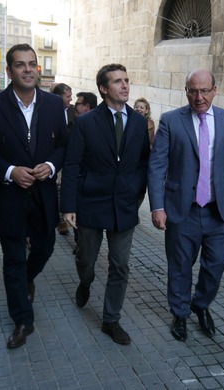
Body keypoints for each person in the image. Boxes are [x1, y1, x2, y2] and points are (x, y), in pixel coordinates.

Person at [0, 43, 67, 349]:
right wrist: (10, 170)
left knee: (46, 245)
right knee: (12, 258)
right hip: (9, 196)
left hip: (43, 194)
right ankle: (23, 319)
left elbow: (64, 146)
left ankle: (26, 278)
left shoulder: (54, 105)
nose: (27, 69)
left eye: (32, 64)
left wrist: (51, 165)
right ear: (9, 71)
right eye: (20, 64)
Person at [148, 69, 224, 342]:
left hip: (219, 211)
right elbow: (157, 167)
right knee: (180, 265)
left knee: (216, 263)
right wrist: (157, 207)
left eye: (205, 90)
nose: (199, 97)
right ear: (186, 91)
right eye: (193, 91)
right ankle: (180, 313)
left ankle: (200, 304)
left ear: (215, 89)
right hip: (183, 210)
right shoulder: (171, 121)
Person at [60, 63, 150, 345]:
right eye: (117, 81)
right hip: (90, 203)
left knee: (120, 265)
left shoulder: (137, 122)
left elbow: (142, 164)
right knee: (86, 259)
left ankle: (111, 320)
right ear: (103, 88)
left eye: (126, 80)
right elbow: (72, 165)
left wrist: (137, 197)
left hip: (124, 206)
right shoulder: (86, 123)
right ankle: (85, 282)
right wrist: (68, 205)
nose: (125, 86)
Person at [52, 83, 75, 236]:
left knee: (62, 187)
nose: (70, 99)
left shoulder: (73, 111)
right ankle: (59, 219)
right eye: (68, 96)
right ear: (59, 97)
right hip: (54, 157)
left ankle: (63, 219)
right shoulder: (49, 111)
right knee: (57, 188)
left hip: (70, 156)